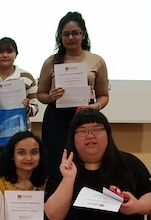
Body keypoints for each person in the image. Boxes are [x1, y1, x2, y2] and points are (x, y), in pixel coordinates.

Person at [37, 12, 109, 177]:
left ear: (83, 35)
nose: (71, 37)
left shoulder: (96, 61)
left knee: (85, 161)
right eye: (66, 34)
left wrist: (94, 107)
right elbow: (40, 94)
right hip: (57, 118)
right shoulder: (52, 61)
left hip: (85, 116)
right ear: (60, 37)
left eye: (75, 33)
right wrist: (50, 97)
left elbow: (103, 95)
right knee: (56, 162)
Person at [0, 37, 39, 177]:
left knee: (18, 176)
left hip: (20, 138)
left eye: (9, 51)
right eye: (1, 51)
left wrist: (27, 108)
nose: (5, 55)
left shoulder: (26, 77)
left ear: (16, 54)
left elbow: (35, 107)